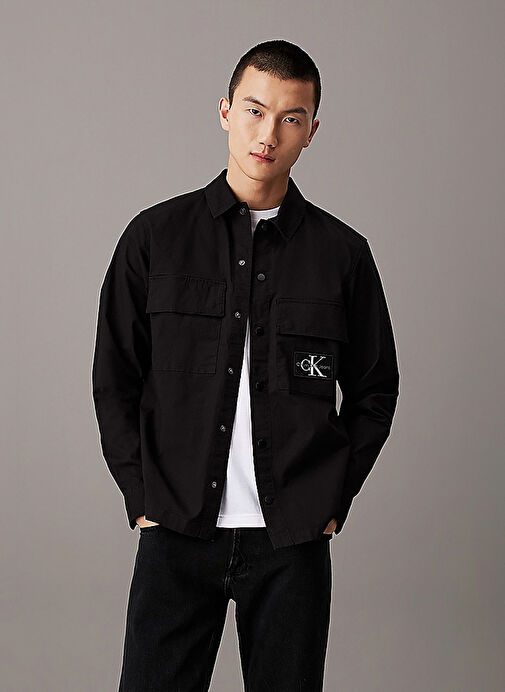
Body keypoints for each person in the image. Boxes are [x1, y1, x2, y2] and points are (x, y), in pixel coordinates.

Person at [92, 38, 400, 692]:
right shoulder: (154, 238)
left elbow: (375, 389)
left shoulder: (342, 254)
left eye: (290, 118)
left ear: (311, 131)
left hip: (290, 544)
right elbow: (115, 375)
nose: (268, 134)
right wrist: (140, 494)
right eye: (255, 111)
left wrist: (332, 495)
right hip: (176, 531)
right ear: (225, 111)